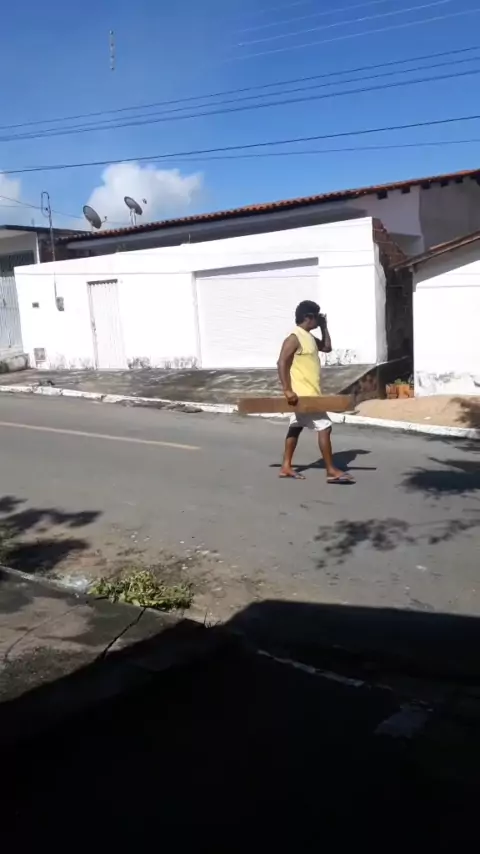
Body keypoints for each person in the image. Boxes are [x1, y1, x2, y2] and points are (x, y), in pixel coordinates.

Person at [276, 300, 354, 483]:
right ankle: (331, 470)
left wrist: (324, 327)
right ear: (307, 317)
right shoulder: (294, 337)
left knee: (296, 427)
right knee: (325, 427)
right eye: (316, 317)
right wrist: (287, 390)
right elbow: (281, 362)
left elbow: (327, 347)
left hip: (308, 393)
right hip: (303, 395)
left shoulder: (308, 337)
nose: (318, 320)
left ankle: (286, 467)